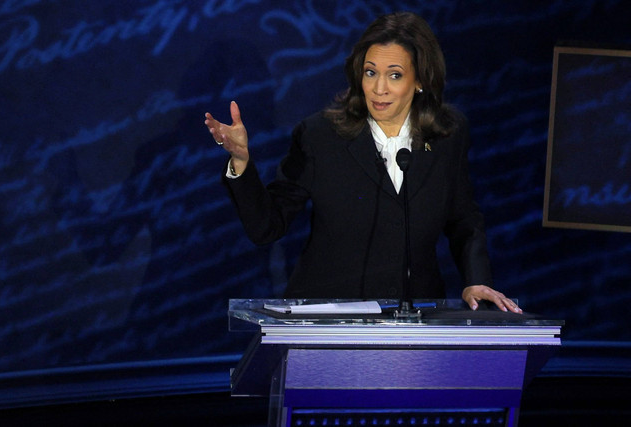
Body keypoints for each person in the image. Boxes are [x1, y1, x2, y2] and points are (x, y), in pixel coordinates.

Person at [205, 11, 521, 313]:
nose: (378, 88)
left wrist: (476, 280)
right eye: (370, 72)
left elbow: (463, 217)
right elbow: (267, 227)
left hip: (414, 321)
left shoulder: (448, 133)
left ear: (421, 79)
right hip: (329, 321)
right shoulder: (320, 136)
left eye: (394, 75)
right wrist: (241, 161)